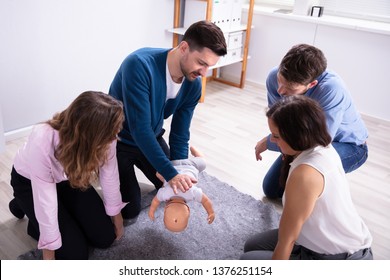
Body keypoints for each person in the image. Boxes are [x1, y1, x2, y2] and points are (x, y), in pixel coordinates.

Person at [109, 20, 227, 219]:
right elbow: (140, 129)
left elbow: (180, 134)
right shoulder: (138, 65)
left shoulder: (193, 84)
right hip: (118, 142)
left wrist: (180, 171)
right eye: (201, 63)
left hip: (151, 137)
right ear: (184, 48)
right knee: (130, 210)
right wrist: (171, 173)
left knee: (175, 190)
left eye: (210, 67)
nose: (203, 74)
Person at [241, 95, 373, 260]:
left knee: (248, 260)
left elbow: (287, 241)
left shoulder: (305, 174)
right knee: (252, 246)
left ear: (296, 136)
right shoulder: (323, 147)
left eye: (276, 136)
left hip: (337, 257)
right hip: (333, 240)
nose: (272, 141)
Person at [8, 91, 126, 260]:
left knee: (105, 237)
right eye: (112, 131)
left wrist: (117, 216)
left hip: (67, 179)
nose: (116, 136)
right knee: (75, 255)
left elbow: (110, 175)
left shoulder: (108, 137)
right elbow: (45, 201)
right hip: (30, 182)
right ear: (91, 135)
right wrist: (49, 251)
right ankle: (22, 205)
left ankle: (49, 210)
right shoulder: (42, 139)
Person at [255, 44, 369, 199]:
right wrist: (281, 145)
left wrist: (269, 142)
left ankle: (327, 181)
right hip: (302, 138)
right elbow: (278, 121)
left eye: (290, 88)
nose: (280, 90)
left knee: (304, 185)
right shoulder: (273, 76)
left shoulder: (333, 89)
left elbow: (321, 141)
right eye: (280, 81)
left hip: (345, 144)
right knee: (272, 189)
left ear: (311, 84)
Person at [148, 146, 215, 232]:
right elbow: (155, 201)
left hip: (190, 165)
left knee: (203, 163)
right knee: (158, 174)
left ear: (188, 209)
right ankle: (164, 177)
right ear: (165, 209)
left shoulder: (192, 193)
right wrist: (151, 211)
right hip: (171, 166)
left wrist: (211, 212)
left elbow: (206, 201)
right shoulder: (164, 194)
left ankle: (196, 153)